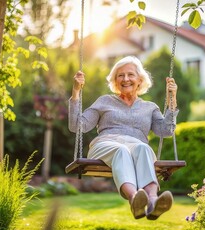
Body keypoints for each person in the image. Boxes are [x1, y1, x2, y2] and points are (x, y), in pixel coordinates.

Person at [68, 56, 178, 220]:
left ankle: (154, 201)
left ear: (140, 80)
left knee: (143, 147)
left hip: (136, 147)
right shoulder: (105, 101)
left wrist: (172, 99)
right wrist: (76, 92)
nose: (125, 79)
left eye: (130, 75)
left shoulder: (150, 107)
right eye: (120, 75)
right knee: (121, 150)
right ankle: (135, 199)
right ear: (115, 80)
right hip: (106, 145)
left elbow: (166, 131)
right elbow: (77, 125)